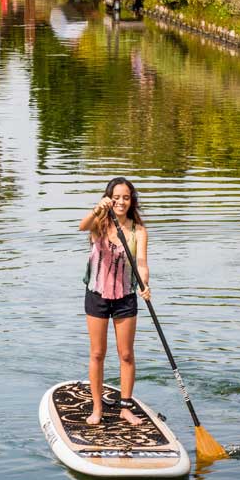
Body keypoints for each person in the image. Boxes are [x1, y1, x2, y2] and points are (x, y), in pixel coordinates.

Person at [78, 178, 151, 426]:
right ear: (110, 198)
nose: (121, 202)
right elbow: (81, 226)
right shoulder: (99, 224)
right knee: (98, 353)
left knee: (127, 354)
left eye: (126, 197)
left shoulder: (138, 231)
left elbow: (141, 263)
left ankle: (125, 408)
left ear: (132, 201)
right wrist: (99, 208)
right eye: (117, 197)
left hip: (125, 298)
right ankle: (97, 408)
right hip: (97, 295)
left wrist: (145, 284)